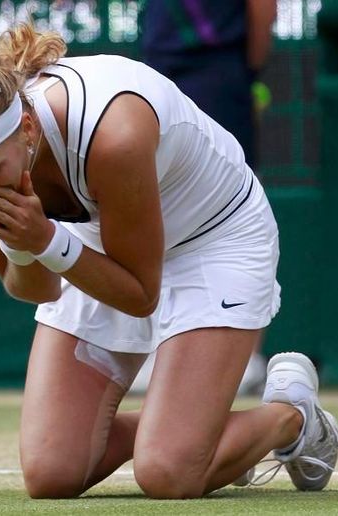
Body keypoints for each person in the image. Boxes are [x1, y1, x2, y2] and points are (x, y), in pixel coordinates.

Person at [0, 23, 338, 498]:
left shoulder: (114, 134)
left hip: (214, 240)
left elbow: (140, 296)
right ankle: (198, 436)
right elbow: (34, 288)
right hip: (92, 242)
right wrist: (24, 242)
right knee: (52, 474)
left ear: (28, 128)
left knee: (168, 475)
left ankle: (292, 419)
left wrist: (44, 238)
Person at [131, 0, 279, 395]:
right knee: (153, 205)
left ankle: (247, 353)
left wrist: (245, 72)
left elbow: (263, 10)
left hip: (220, 73)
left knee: (237, 204)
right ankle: (155, 346)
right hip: (159, 69)